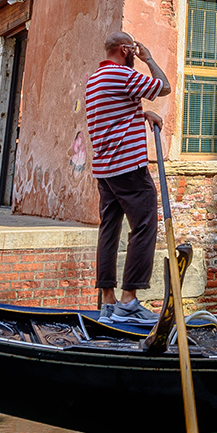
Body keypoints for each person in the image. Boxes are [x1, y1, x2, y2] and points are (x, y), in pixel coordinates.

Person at [83, 31, 172, 324]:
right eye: (132, 49)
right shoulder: (121, 74)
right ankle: (129, 301)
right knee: (145, 226)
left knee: (109, 230)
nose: (134, 54)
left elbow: (115, 116)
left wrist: (142, 115)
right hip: (128, 166)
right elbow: (164, 87)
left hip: (105, 170)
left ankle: (108, 302)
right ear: (124, 49)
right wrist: (149, 59)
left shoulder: (95, 80)